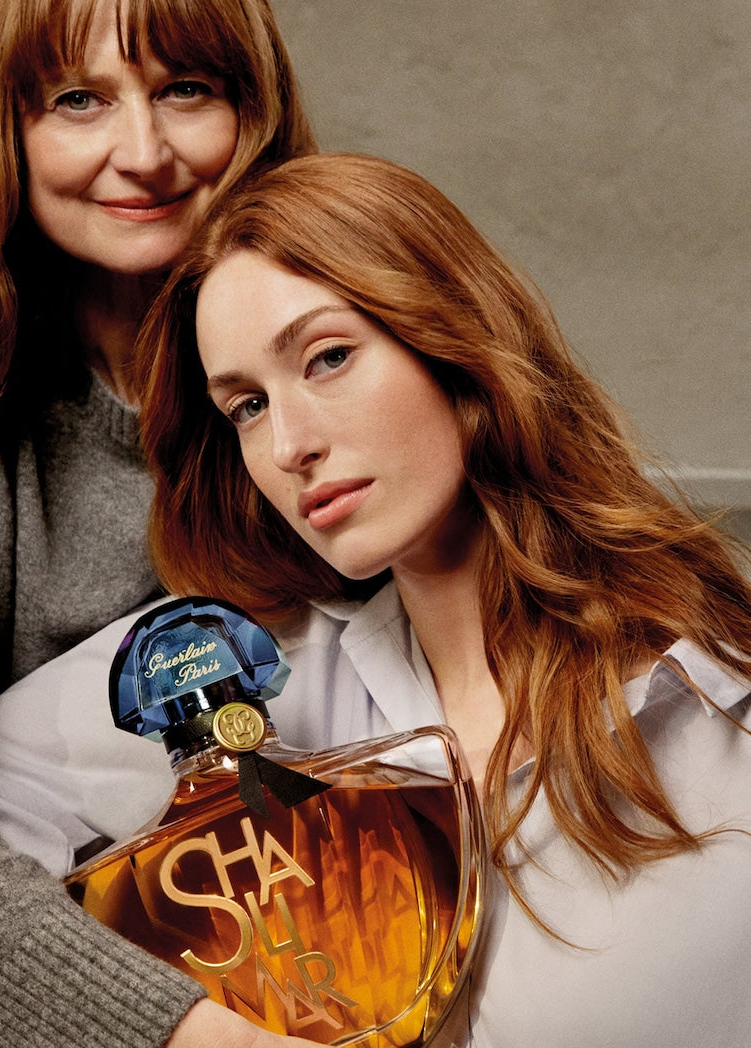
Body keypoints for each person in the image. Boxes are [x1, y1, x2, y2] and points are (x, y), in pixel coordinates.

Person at [131, 153, 750, 1046]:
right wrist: (182, 1025)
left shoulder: (710, 702)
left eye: (328, 358)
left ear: (451, 341)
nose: (290, 445)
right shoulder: (263, 674)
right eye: (247, 407)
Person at [0, 0, 317, 1045]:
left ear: (255, 111)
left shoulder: (337, 355)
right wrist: (180, 1034)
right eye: (77, 100)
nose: (142, 153)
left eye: (186, 90)